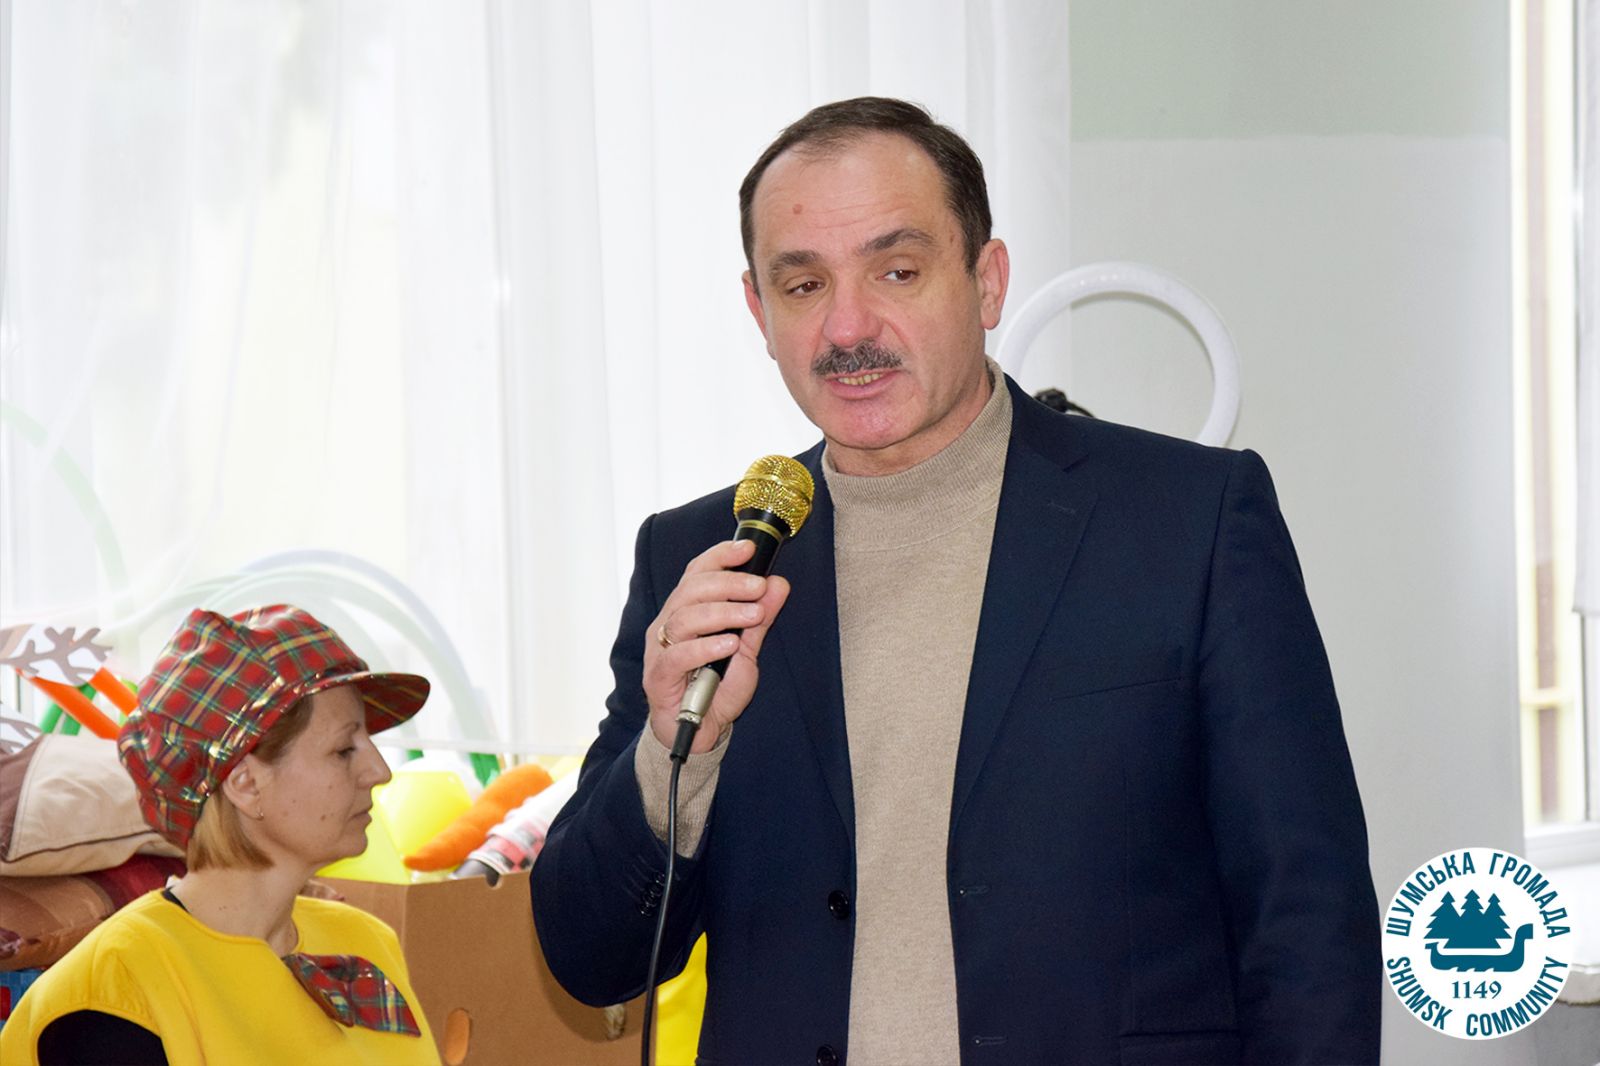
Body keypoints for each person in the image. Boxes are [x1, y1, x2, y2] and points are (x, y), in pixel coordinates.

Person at [531, 96, 1381, 1064]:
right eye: (802, 285)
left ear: (986, 282)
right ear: (759, 312)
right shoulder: (705, 558)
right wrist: (672, 749)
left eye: (897, 271)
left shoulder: (1189, 521)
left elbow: (1306, 916)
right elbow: (589, 956)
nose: (848, 326)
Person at [1, 605, 442, 1066]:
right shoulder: (117, 992)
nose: (380, 771)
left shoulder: (365, 939)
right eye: (344, 749)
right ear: (246, 784)